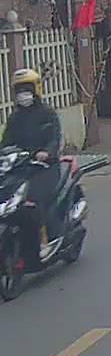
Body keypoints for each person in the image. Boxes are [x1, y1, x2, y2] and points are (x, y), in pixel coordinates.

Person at [0, 69, 63, 259]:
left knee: (34, 199)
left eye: (27, 89)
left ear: (36, 89)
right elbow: (6, 143)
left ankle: (45, 241)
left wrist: (47, 153)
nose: (23, 94)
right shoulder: (15, 118)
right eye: (19, 90)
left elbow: (55, 138)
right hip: (21, 168)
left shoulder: (47, 114)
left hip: (45, 167)